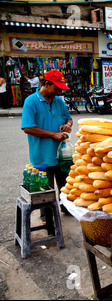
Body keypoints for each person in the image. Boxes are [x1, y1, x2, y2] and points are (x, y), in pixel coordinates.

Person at [21, 69, 73, 222]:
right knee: (46, 189)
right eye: (56, 87)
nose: (59, 91)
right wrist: (53, 134)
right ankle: (47, 217)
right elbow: (27, 128)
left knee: (65, 185)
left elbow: (69, 118)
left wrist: (67, 125)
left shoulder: (58, 101)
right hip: (42, 155)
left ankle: (66, 208)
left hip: (62, 154)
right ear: (47, 84)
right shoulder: (31, 101)